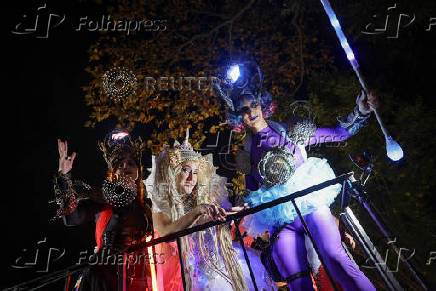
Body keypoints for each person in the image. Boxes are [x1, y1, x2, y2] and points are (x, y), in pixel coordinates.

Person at [213, 62, 377, 290]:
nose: (250, 112)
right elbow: (253, 196)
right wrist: (241, 208)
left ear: (262, 104)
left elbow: (338, 133)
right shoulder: (245, 156)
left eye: (254, 104)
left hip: (309, 205)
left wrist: (359, 111)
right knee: (297, 284)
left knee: (336, 260)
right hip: (281, 221)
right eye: (243, 110)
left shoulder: (291, 131)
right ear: (237, 117)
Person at [146, 130, 276, 291]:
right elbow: (166, 231)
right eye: (185, 170)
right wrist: (199, 211)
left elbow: (212, 218)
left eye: (195, 172)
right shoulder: (162, 201)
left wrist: (235, 212)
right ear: (173, 172)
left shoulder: (200, 201)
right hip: (190, 275)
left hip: (218, 267)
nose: (191, 178)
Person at [51, 130, 155, 290]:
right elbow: (72, 217)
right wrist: (64, 176)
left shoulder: (146, 207)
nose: (125, 166)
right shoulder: (105, 197)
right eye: (119, 164)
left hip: (138, 279)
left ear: (138, 171)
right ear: (113, 173)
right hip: (105, 277)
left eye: (131, 163)